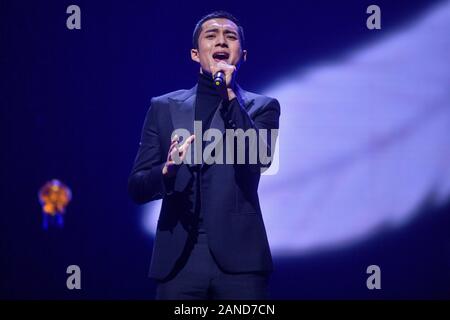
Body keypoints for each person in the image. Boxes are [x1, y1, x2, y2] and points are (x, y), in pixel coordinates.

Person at [128, 11, 280, 300]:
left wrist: (230, 96)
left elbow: (260, 158)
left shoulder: (263, 107)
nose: (221, 40)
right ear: (196, 54)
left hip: (242, 261)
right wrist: (167, 170)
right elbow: (137, 187)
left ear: (242, 55)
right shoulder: (163, 107)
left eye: (230, 36)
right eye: (211, 35)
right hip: (179, 260)